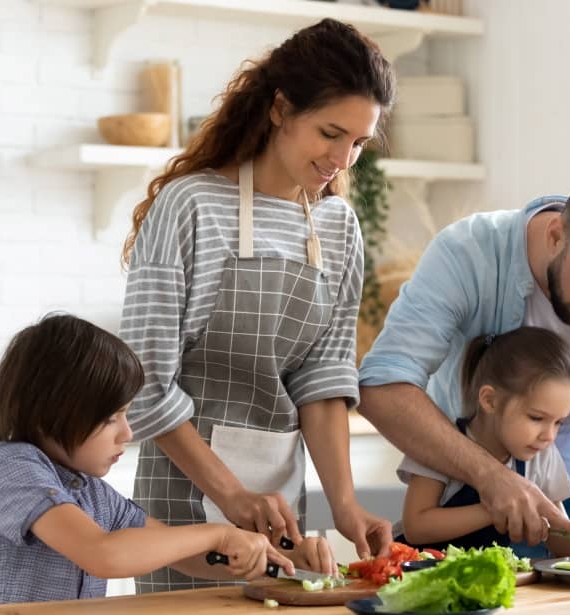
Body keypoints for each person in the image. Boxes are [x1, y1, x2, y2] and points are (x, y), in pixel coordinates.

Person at [119, 18, 396, 592]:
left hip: (282, 510)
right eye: (330, 132)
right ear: (279, 110)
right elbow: (146, 382)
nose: (343, 159)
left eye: (359, 143)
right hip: (185, 504)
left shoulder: (338, 225)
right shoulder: (190, 206)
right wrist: (231, 495)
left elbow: (321, 378)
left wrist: (344, 507)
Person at [359, 169, 570, 554]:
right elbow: (382, 385)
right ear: (556, 235)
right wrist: (492, 477)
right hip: (459, 477)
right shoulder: (467, 252)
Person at [0, 314, 326, 606]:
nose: (127, 434)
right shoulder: (15, 469)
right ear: (47, 415)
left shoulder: (92, 493)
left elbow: (175, 552)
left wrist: (276, 557)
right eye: (109, 419)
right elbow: (104, 555)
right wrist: (221, 532)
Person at [395, 327, 570, 558]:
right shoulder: (440, 444)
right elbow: (417, 528)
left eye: (559, 423)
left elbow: (559, 535)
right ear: (490, 400)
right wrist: (498, 506)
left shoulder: (543, 455)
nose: (549, 435)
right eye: (536, 418)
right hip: (417, 574)